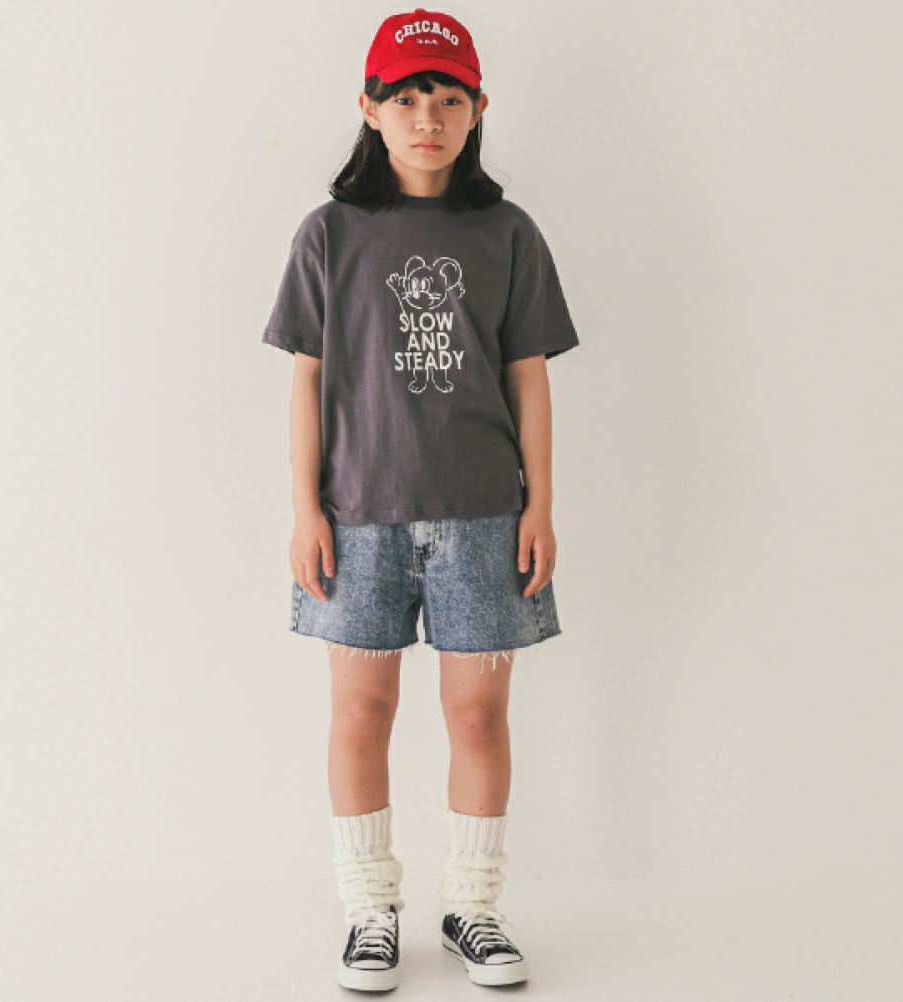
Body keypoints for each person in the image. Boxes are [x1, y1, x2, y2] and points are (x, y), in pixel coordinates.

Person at [260, 7, 580, 992]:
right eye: (404, 99)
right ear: (369, 108)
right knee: (362, 712)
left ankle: (473, 907)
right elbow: (307, 379)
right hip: (358, 516)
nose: (427, 118)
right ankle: (370, 911)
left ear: (478, 108)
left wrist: (540, 505)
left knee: (478, 717)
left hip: (484, 515)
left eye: (447, 98)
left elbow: (528, 376)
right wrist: (305, 510)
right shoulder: (329, 234)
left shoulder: (507, 233)